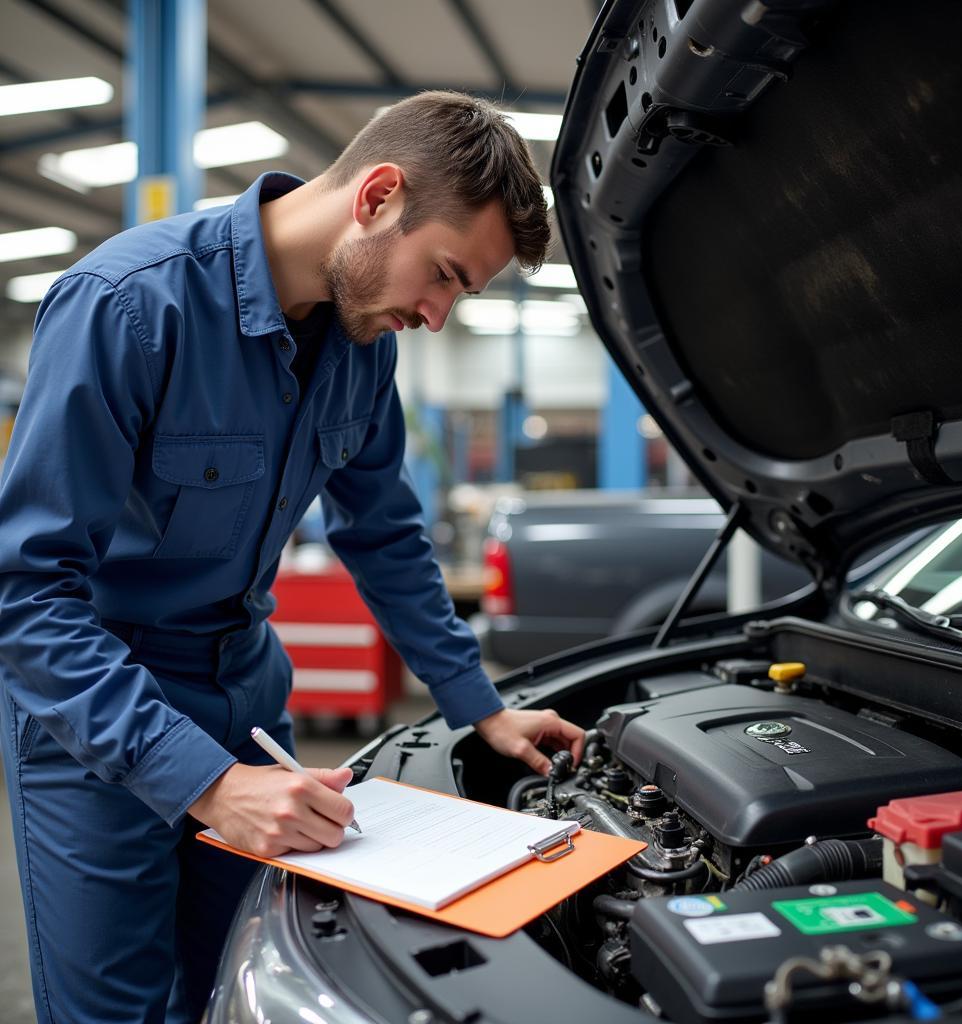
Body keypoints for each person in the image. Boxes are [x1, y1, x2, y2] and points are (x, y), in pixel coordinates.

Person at [0, 90, 586, 1024]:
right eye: (442, 275)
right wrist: (204, 781)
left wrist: (481, 707)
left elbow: (385, 533)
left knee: (233, 987)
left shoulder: (361, 344)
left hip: (248, 700)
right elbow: (26, 593)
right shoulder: (130, 306)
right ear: (378, 196)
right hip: (99, 722)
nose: (436, 316)